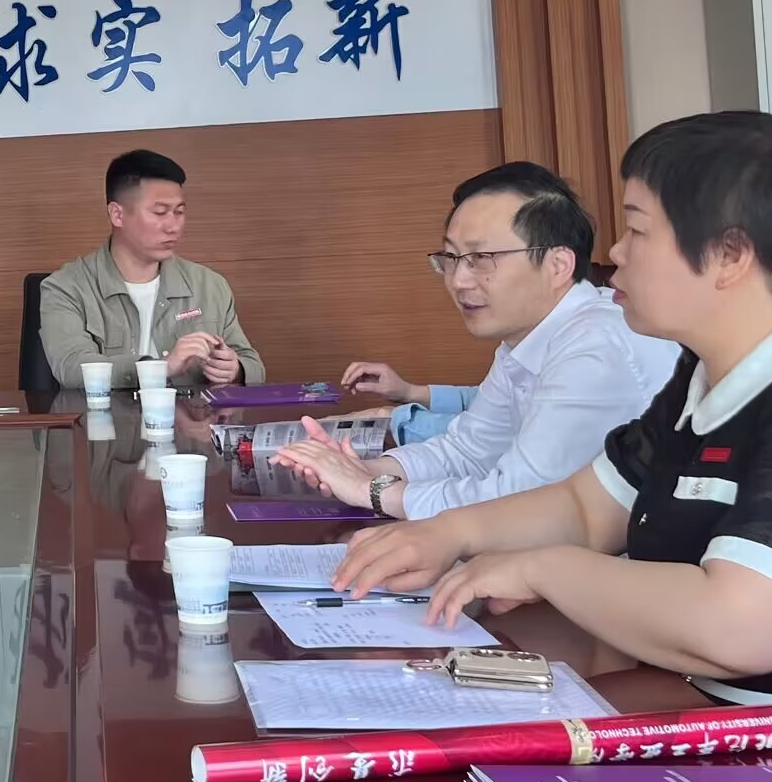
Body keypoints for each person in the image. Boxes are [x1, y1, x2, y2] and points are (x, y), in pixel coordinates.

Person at [334, 113, 772, 782]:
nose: (614, 252)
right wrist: (445, 534)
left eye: (638, 229)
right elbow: (587, 506)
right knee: (440, 745)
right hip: (733, 721)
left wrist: (543, 569)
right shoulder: (708, 373)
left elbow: (740, 628)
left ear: (730, 256)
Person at [279, 163, 680, 519]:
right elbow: (467, 451)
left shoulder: (596, 346)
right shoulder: (523, 341)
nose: (458, 281)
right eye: (451, 258)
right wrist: (365, 470)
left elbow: (521, 502)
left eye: (481, 259)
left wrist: (373, 491)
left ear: (558, 265)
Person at [39, 149, 263, 394]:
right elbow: (72, 368)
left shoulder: (209, 285)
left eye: (179, 212)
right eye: (160, 213)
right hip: (104, 419)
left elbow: (253, 365)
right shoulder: (65, 288)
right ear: (117, 214)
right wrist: (160, 368)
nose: (173, 226)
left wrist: (234, 369)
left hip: (190, 418)